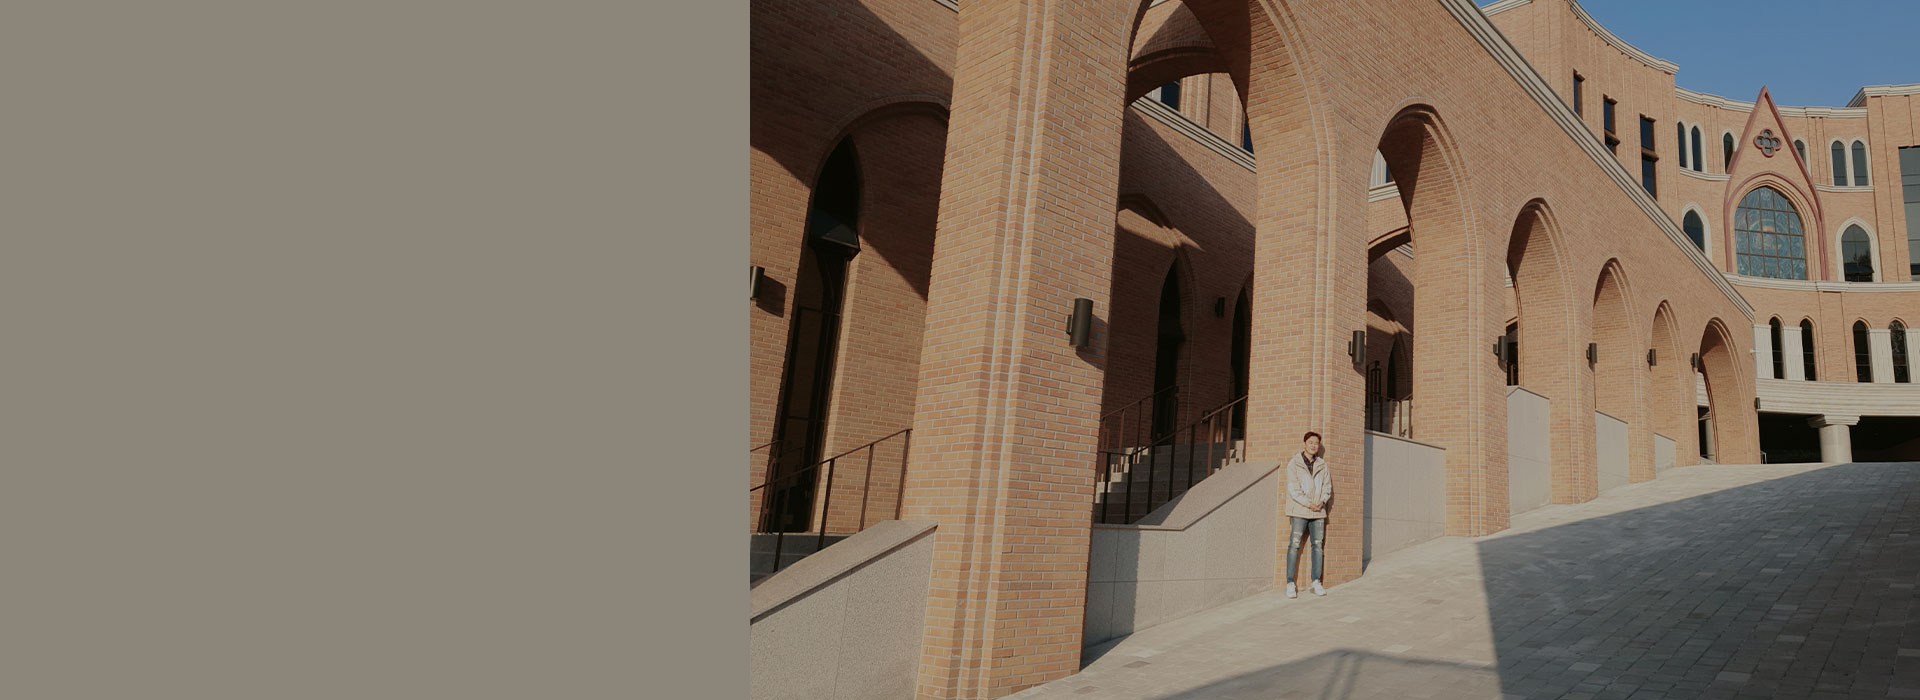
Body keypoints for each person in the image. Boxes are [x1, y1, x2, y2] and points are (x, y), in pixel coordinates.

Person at [1284, 431, 1332, 598]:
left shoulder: (1322, 464)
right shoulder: (1294, 463)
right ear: (1304, 443)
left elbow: (1327, 487)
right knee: (1294, 544)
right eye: (1310, 442)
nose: (1313, 445)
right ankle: (1290, 583)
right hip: (1299, 510)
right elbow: (1293, 489)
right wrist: (1308, 503)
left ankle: (1316, 582)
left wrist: (1322, 501)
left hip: (1318, 511)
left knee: (1317, 545)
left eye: (1316, 443)